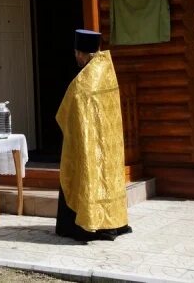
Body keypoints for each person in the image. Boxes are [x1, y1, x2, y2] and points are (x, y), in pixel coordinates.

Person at [55, 29, 131, 242]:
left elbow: (69, 109)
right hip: (109, 142)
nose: (76, 57)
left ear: (85, 53)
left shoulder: (84, 80)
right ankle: (112, 222)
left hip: (87, 142)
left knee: (85, 177)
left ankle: (84, 224)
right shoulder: (106, 69)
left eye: (78, 53)